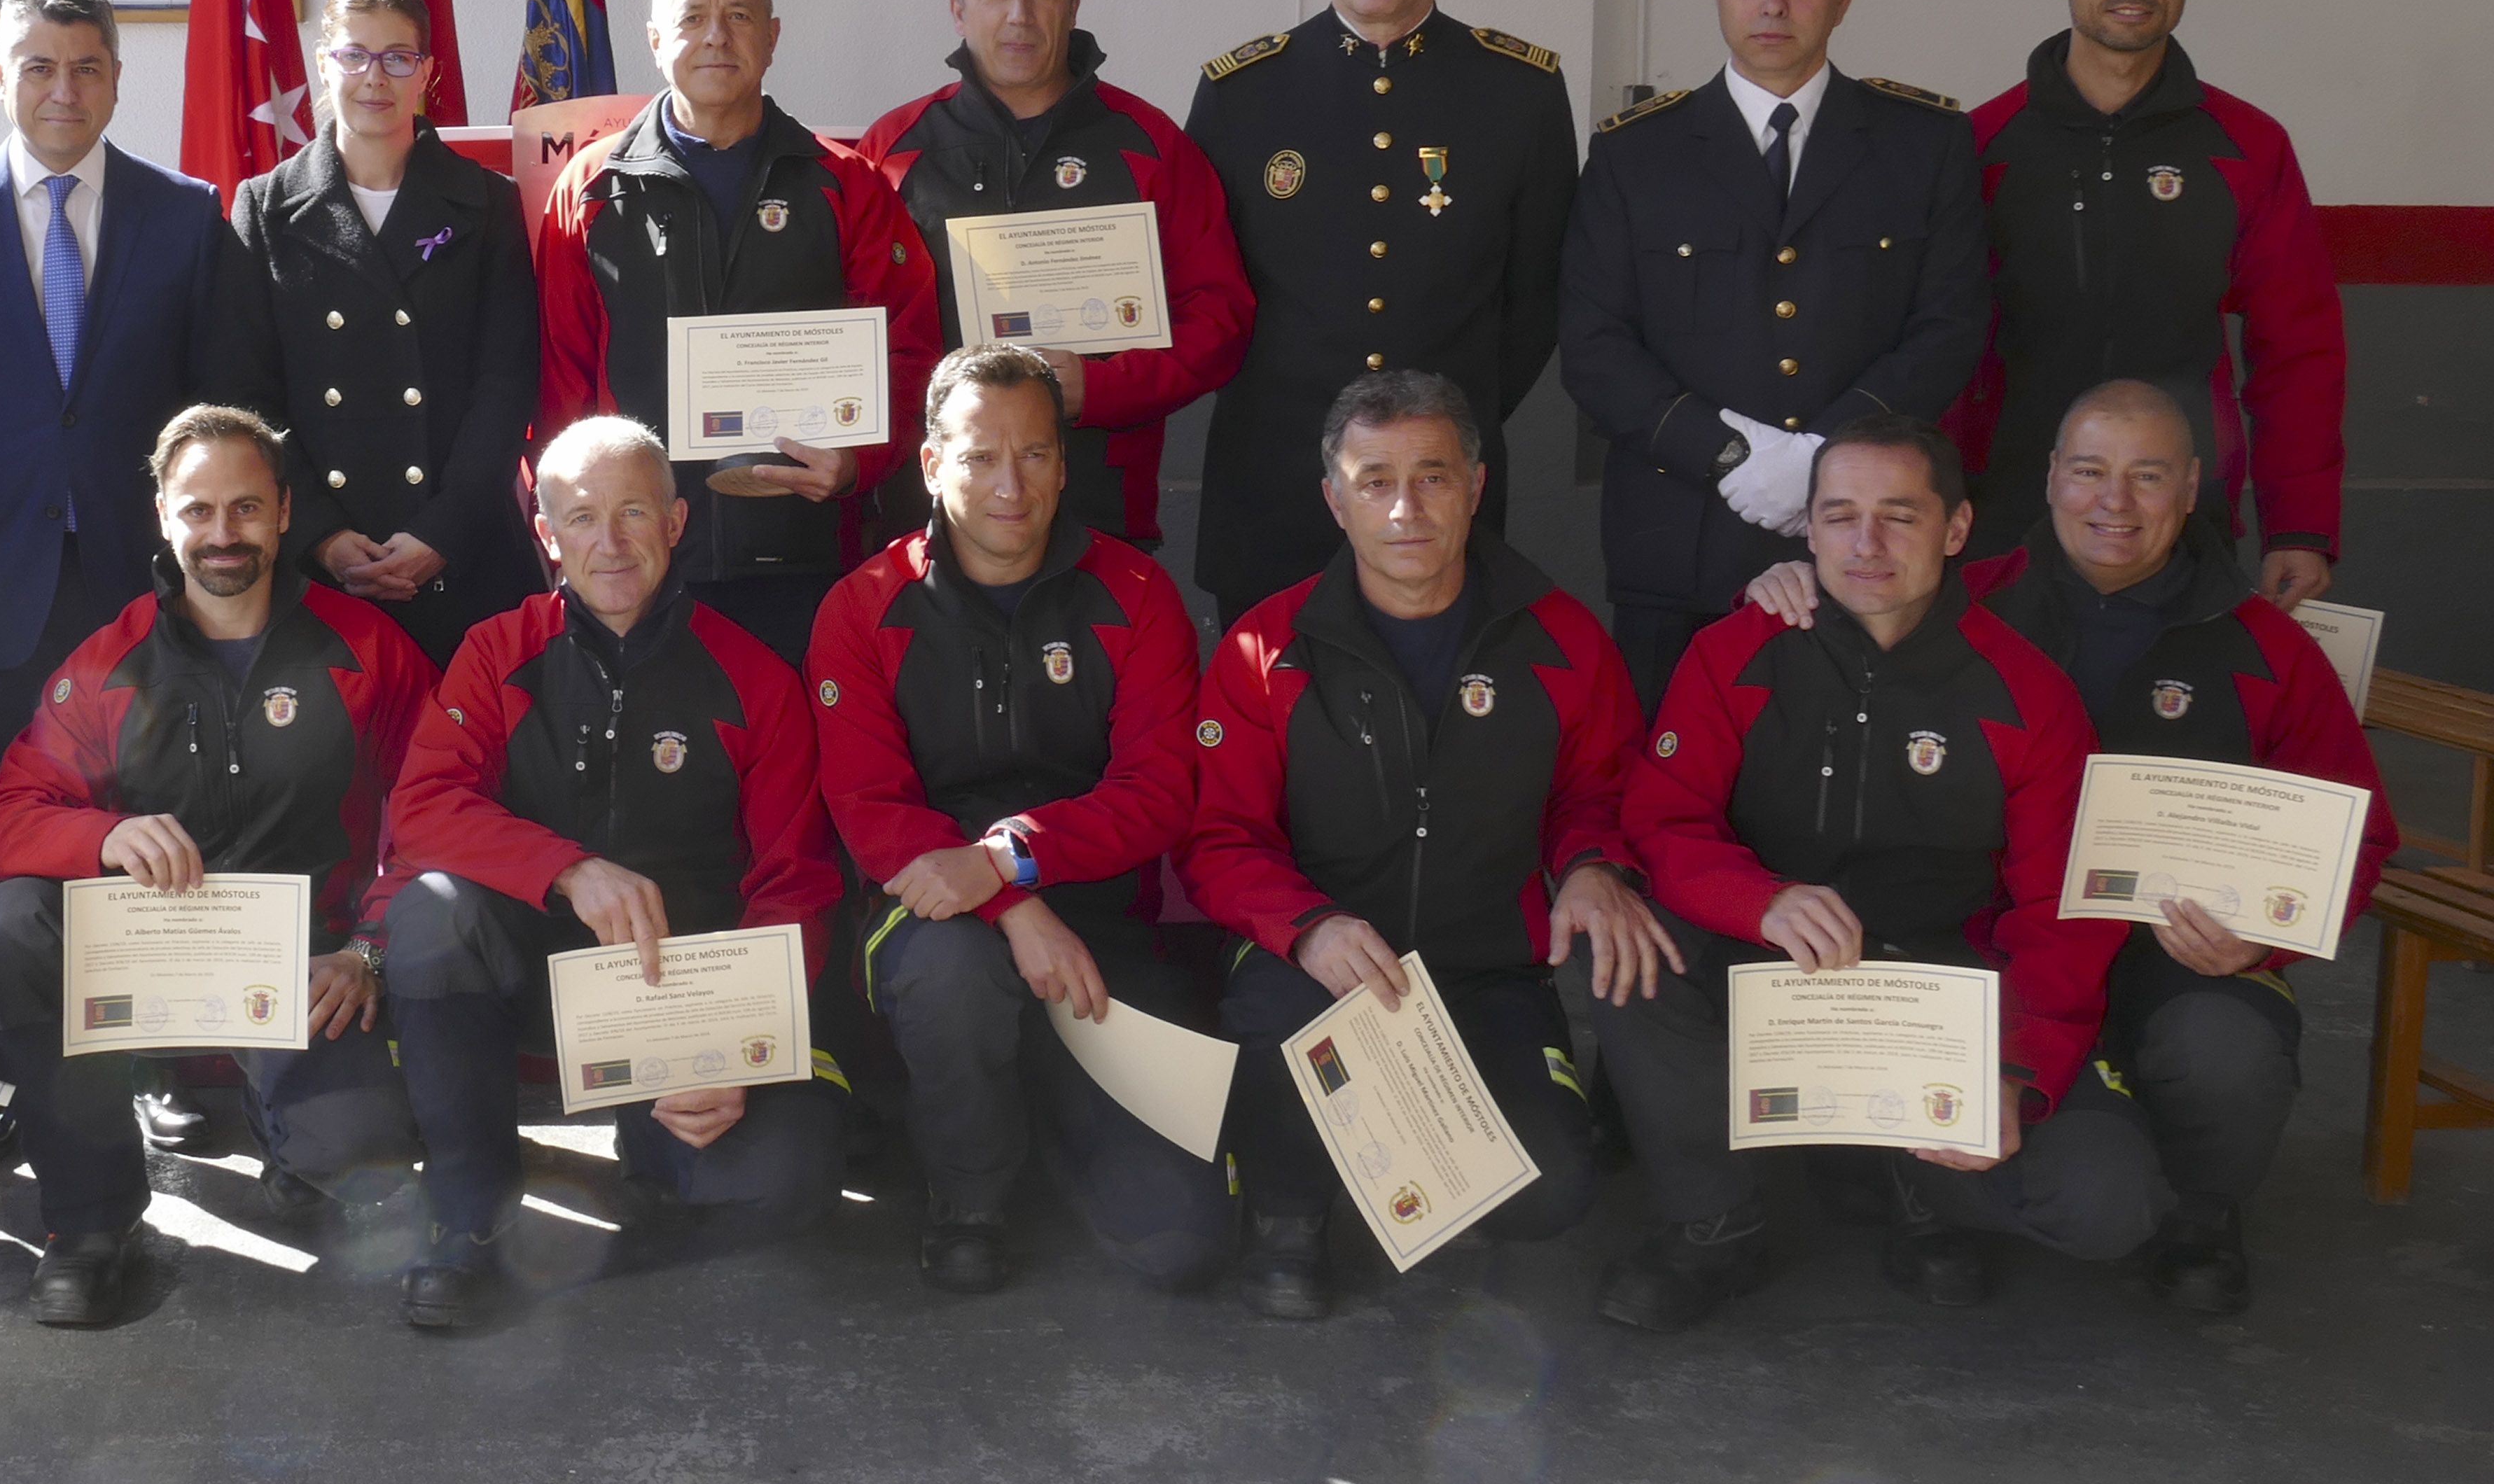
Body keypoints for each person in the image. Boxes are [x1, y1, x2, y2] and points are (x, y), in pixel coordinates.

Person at [1740, 379, 2393, 1312]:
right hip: (1990, 945)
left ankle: (2201, 1219)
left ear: (2191, 487)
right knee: (2066, 1168)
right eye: (2089, 471)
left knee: (2228, 1052)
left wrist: (2264, 942)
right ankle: (1925, 1191)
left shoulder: (2267, 647)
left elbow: (2359, 832)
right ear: (2050, 477)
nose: (2113, 502)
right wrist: (1783, 583)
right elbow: (1844, 623)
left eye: (2148, 476)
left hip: (2182, 954)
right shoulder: (1954, 601)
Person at [1591, 414, 2166, 1331]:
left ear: (1956, 528)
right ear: (1809, 529)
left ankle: (1916, 1189)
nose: (1866, 544)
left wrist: (2014, 1072)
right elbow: (1663, 821)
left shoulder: (2029, 694)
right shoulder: (1733, 655)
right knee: (1632, 950)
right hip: (1771, 974)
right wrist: (1760, 901)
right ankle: (1716, 1220)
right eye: (1840, 516)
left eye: (1899, 516)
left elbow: (2062, 911)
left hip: (1943, 1005)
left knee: (2109, 1204)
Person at [1181, 369, 1659, 1318]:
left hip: (1486, 972)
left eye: (1433, 477)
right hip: (1316, 965)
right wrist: (1307, 926)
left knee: (1549, 1193)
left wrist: (1590, 867)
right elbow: (1219, 839)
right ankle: (1286, 1211)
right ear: (1335, 500)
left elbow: (1595, 794)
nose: (1406, 509)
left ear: (1476, 487)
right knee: (1272, 1021)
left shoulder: (1563, 639)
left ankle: (1412, 1163)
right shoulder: (1265, 649)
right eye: (1375, 482)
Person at [0, 406, 440, 1327]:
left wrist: (367, 951)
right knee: (5, 924)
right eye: (199, 510)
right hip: (141, 970)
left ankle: (288, 1122)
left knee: (363, 1152)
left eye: (246, 508)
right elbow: (7, 819)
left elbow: (438, 815)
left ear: (286, 511)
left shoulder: (370, 651)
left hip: (298, 974)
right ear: (163, 516)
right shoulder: (107, 664)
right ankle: (91, 1221)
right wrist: (100, 839)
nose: (223, 534)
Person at [371, 415, 852, 1328]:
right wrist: (569, 869)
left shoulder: (754, 676)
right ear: (547, 535)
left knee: (790, 1180)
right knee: (431, 913)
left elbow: (795, 885)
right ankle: (466, 1211)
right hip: (530, 977)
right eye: (583, 517)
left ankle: (656, 1148)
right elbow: (423, 809)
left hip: (682, 996)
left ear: (677, 522)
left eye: (634, 512)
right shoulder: (497, 651)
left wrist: (734, 1048)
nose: (612, 542)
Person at [811, 343, 1222, 1294]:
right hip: (933, 923)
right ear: (930, 465)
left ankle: (1049, 1103)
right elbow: (872, 812)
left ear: (1064, 465)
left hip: (1102, 936)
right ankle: (968, 1199)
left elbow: (1160, 792)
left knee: (1182, 1246)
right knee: (953, 976)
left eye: (1035, 454)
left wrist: (1008, 860)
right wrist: (1010, 900)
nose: (1011, 485)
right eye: (980, 457)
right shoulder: (862, 608)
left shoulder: (1138, 595)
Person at [1561, 0, 1987, 705]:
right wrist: (1731, 454)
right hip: (1680, 541)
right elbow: (1594, 345)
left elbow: (1949, 327)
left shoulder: (1923, 145)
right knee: (1671, 763)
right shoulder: (1634, 153)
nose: (1773, 3)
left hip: (1865, 548)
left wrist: (1825, 460)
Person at [0, 0, 230, 894]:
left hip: (139, 578)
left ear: (117, 78)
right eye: (39, 68)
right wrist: (0, 478)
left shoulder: (188, 216)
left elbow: (212, 397)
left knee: (147, 836)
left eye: (86, 68)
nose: (63, 91)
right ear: (1, 78)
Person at [1183, 0, 1578, 623]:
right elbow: (1203, 286)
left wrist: (1443, 435)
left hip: (1438, 499)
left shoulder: (1520, 94)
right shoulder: (1242, 95)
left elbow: (1538, 299)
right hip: (1276, 488)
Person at [536, 0, 938, 664]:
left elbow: (911, 352)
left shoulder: (846, 185)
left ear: (773, 37)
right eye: (692, 17)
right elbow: (560, 380)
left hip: (807, 559)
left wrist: (859, 460)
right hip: (638, 567)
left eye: (740, 16)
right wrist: (577, 525)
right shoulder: (591, 190)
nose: (716, 36)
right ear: (656, 40)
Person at [1951, 0, 2348, 596]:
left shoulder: (2249, 147)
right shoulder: (1979, 145)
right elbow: (1938, 345)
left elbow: (2298, 351)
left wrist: (2299, 527)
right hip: (2003, 522)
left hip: (2184, 525)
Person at [854, 0, 1251, 554]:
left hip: (1100, 508)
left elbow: (1218, 319)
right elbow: (857, 328)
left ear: (1073, 4)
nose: (1020, 14)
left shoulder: (1151, 146)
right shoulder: (892, 151)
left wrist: (1101, 389)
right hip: (929, 513)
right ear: (959, 10)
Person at [221, 0, 541, 664]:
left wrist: (442, 533)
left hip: (464, 557)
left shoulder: (488, 204)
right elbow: (245, 396)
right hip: (317, 569)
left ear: (427, 72)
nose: (375, 77)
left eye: (398, 57)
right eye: (354, 55)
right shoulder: (265, 209)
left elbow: (506, 384)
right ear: (322, 63)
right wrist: (320, 534)